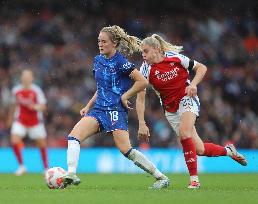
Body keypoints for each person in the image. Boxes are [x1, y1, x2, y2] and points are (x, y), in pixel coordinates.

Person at [63, 25, 169, 189]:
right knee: (73, 137)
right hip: (98, 110)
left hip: (115, 111)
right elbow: (102, 87)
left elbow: (142, 81)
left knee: (126, 149)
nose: (100, 44)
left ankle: (160, 177)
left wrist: (125, 96)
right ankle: (71, 174)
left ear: (114, 43)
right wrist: (88, 105)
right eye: (99, 41)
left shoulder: (121, 62)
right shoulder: (98, 60)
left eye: (104, 41)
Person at [136, 34, 247, 189]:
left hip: (187, 98)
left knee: (184, 133)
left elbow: (202, 68)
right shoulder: (145, 70)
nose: (143, 55)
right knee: (199, 149)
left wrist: (193, 84)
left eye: (146, 51)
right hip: (170, 110)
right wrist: (141, 122)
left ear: (156, 49)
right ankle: (229, 151)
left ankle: (194, 181)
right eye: (142, 52)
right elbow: (140, 98)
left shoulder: (175, 58)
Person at [8, 69, 48, 176]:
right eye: (24, 76)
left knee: (42, 144)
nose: (26, 78)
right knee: (14, 139)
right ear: (21, 78)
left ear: (32, 78)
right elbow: (13, 105)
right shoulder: (16, 90)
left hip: (35, 121)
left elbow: (43, 106)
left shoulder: (37, 91)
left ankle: (45, 168)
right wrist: (9, 118)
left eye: (28, 76)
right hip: (20, 120)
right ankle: (21, 166)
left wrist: (35, 106)